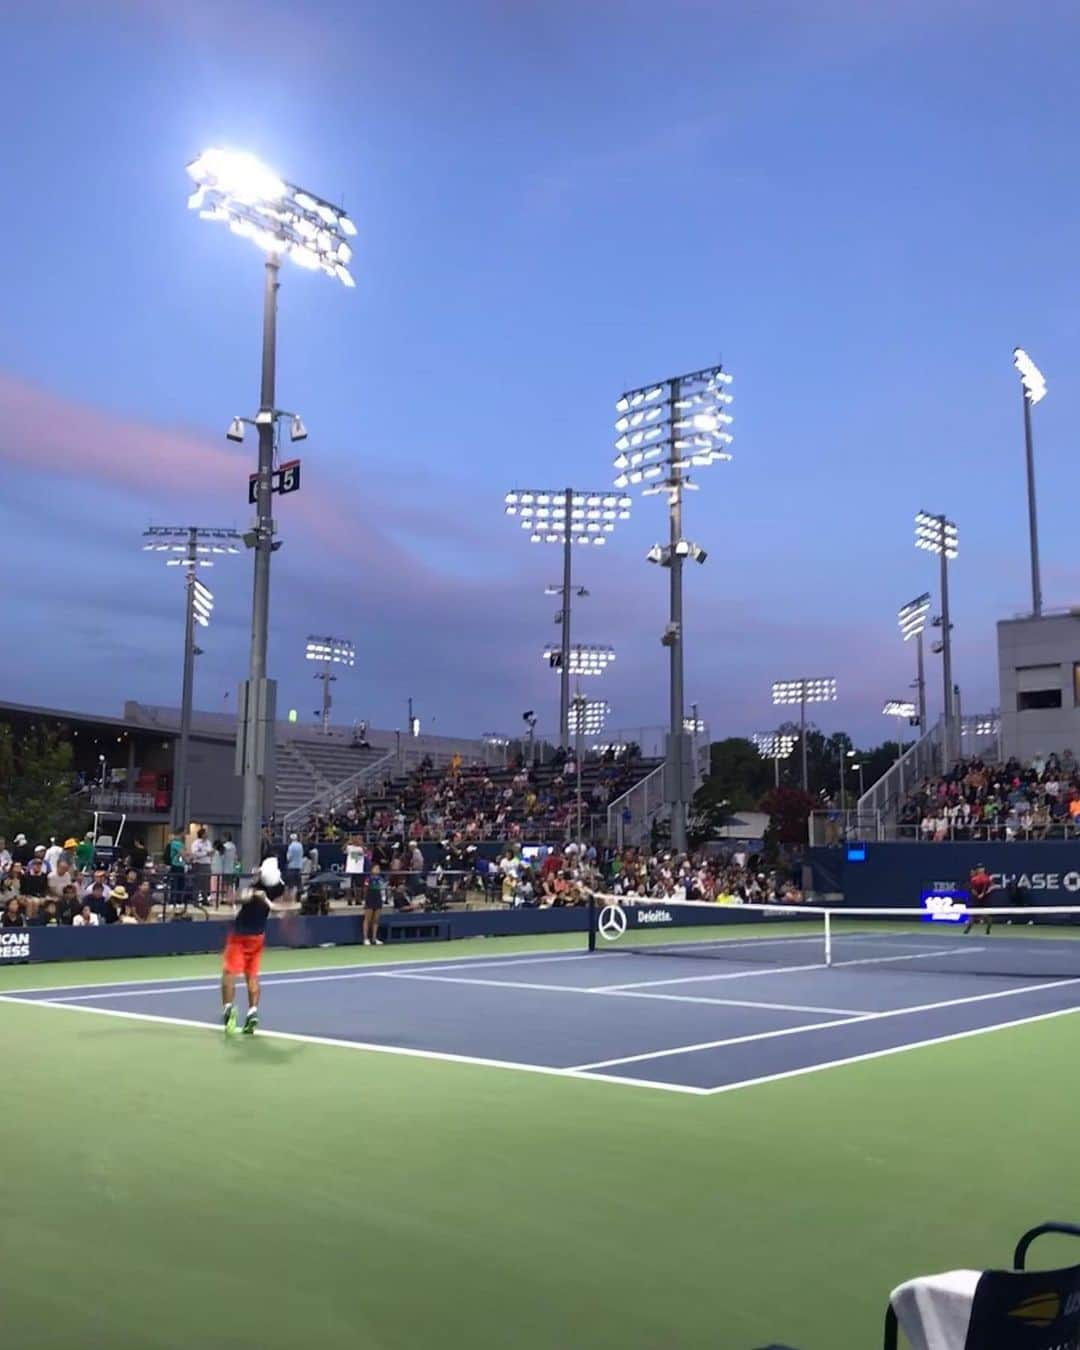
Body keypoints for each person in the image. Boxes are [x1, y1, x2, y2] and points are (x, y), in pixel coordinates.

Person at [221, 856, 290, 1036]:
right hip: (258, 937)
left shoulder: (254, 890)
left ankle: (228, 1010)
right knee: (252, 975)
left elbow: (233, 899)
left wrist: (240, 895)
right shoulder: (278, 887)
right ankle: (252, 1012)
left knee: (229, 973)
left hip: (239, 936)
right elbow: (285, 899)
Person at [965, 863, 994, 935]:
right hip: (976, 901)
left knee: (988, 918)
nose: (981, 869)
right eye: (979, 868)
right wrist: (978, 895)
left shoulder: (987, 878)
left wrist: (984, 893)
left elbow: (991, 887)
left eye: (982, 868)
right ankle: (967, 931)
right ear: (977, 870)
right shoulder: (974, 879)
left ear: (984, 869)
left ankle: (988, 931)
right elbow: (972, 889)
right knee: (972, 917)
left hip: (984, 901)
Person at [364, 863, 385, 946]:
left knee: (376, 920)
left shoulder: (381, 879)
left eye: (378, 868)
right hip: (370, 898)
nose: (377, 870)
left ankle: (374, 939)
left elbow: (383, 889)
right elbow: (365, 889)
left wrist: (383, 899)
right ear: (371, 870)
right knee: (367, 919)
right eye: (375, 868)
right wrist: (366, 899)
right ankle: (365, 938)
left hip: (378, 899)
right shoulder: (368, 879)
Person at [285, 833, 304, 900]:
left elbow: (288, 858)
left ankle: (291, 899)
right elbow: (302, 855)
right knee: (299, 883)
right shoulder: (300, 845)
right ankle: (299, 898)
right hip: (299, 867)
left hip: (291, 867)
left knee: (291, 884)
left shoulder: (291, 846)